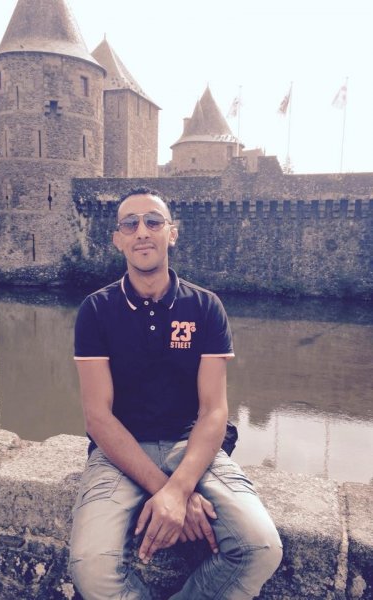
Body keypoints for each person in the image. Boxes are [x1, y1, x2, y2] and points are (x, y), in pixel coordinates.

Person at [70, 188, 282, 599]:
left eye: (153, 221)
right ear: (118, 239)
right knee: (91, 568)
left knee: (261, 548)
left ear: (172, 233)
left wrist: (180, 487)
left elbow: (214, 411)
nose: (142, 231)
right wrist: (165, 491)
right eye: (130, 224)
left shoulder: (205, 307)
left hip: (191, 445)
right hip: (119, 453)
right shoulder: (96, 310)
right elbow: (98, 417)